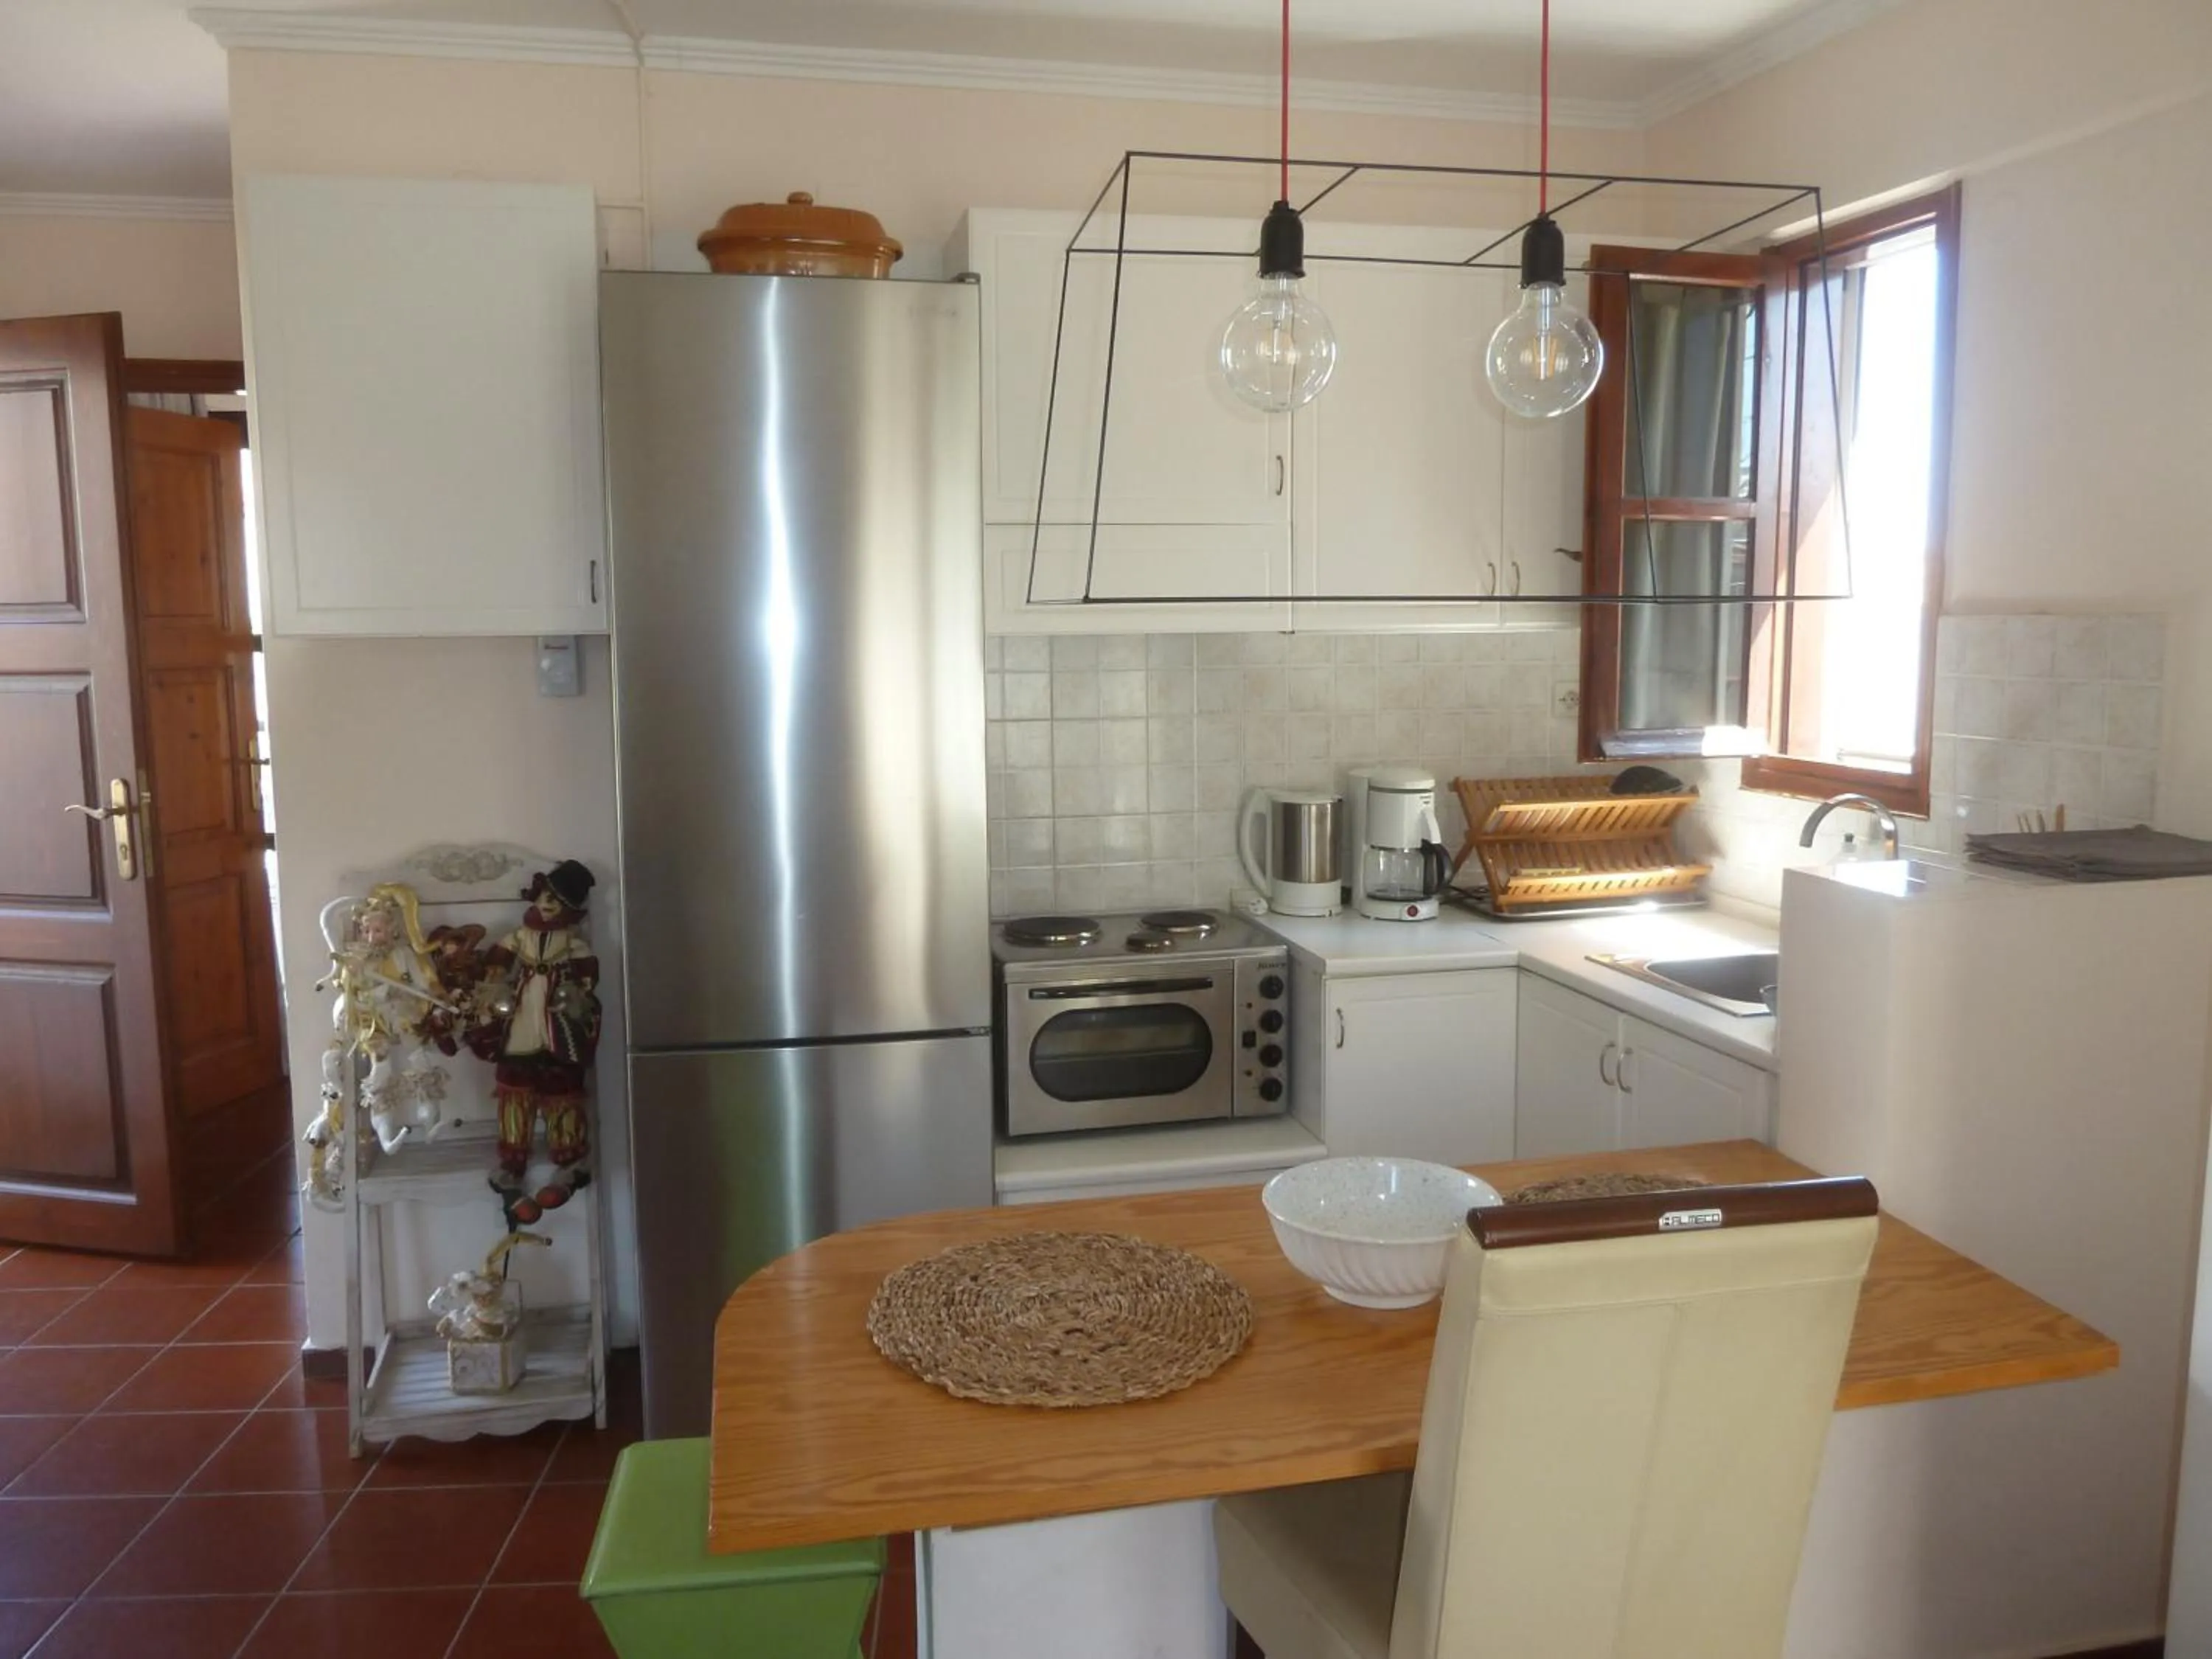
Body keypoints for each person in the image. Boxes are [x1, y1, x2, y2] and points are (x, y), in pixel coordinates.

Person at [469, 860, 601, 1225]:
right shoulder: (521, 935)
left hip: (557, 1017)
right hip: (525, 1013)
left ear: (569, 908)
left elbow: (587, 972)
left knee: (563, 1087)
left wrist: (579, 990)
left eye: (554, 900)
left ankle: (571, 1160)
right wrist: (495, 978)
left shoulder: (571, 941)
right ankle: (512, 1162)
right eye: (543, 897)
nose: (546, 904)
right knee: (515, 1085)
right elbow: (499, 958)